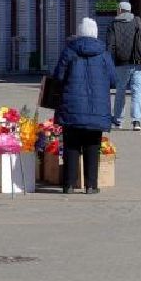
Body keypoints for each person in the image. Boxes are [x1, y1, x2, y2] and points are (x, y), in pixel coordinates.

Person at [50, 17, 115, 194]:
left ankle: (69, 185)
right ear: (95, 33)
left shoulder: (69, 51)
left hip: (72, 108)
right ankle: (91, 186)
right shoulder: (104, 54)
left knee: (71, 145)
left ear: (79, 33)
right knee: (93, 144)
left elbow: (58, 77)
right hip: (97, 108)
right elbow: (113, 80)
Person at [109, 1, 141, 131]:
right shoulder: (138, 21)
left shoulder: (113, 24)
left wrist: (108, 62)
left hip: (121, 62)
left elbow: (110, 45)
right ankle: (136, 121)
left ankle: (117, 120)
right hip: (138, 62)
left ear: (120, 10)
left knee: (120, 91)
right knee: (137, 91)